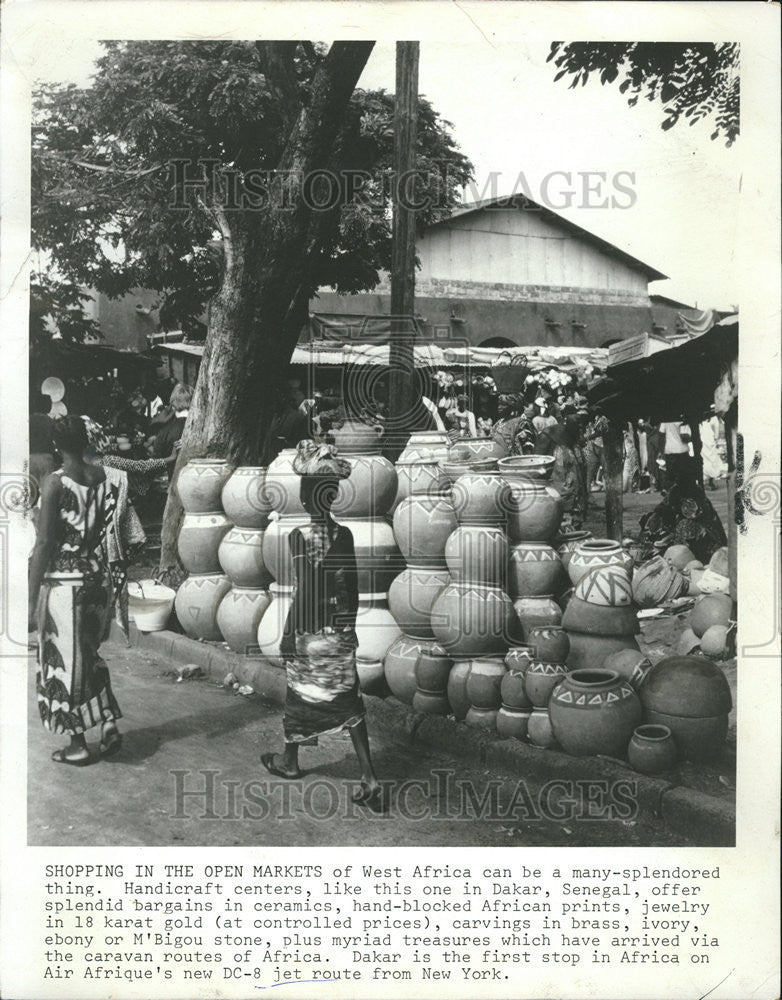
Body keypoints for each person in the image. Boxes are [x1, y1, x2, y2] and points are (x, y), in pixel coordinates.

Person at [261, 441, 385, 811]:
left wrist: (287, 635)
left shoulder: (299, 537)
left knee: (299, 696)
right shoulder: (344, 536)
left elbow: (305, 592)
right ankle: (368, 775)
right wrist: (347, 632)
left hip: (310, 632)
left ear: (304, 498)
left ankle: (290, 761)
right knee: (351, 703)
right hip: (340, 631)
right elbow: (354, 589)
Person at [27, 417, 130, 765]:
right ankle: (109, 724)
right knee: (88, 654)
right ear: (84, 440)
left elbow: (43, 542)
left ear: (56, 445)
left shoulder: (54, 483)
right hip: (95, 575)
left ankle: (78, 744)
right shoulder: (102, 477)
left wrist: (30, 599)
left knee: (64, 663)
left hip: (64, 583)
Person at [550, 418, 588, 528]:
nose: (581, 433)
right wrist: (566, 505)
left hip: (577, 500)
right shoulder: (560, 451)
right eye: (578, 430)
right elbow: (559, 480)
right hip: (567, 503)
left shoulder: (575, 448)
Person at [659, 419, 692, 491]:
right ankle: (683, 491)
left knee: (671, 474)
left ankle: (670, 491)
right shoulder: (682, 419)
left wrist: (661, 451)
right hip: (682, 449)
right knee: (683, 474)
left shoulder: (665, 419)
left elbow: (661, 434)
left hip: (670, 449)